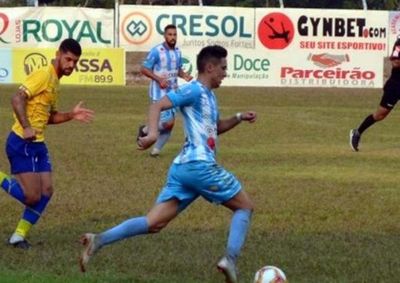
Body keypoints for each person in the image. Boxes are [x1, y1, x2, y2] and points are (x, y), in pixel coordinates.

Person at [79, 45, 256, 283]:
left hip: (184, 169)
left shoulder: (209, 96)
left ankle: (98, 239)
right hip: (199, 166)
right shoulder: (193, 90)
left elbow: (216, 128)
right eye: (223, 68)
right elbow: (158, 105)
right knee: (244, 206)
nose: (226, 73)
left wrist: (238, 118)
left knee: (153, 223)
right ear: (210, 67)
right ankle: (230, 261)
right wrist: (153, 133)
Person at [0, 38, 94, 249]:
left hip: (38, 144)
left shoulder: (55, 82)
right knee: (31, 196)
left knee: (47, 191)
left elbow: (48, 117)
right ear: (58, 54)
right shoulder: (44, 74)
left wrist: (71, 114)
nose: (71, 65)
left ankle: (18, 236)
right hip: (21, 142)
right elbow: (17, 98)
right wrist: (25, 126)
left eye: (75, 62)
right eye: (68, 59)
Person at [138, 24, 193, 157]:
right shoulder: (157, 51)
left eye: (174, 35)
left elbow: (177, 69)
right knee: (168, 122)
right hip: (159, 92)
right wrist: (158, 79)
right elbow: (144, 69)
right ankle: (146, 130)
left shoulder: (178, 52)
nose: (172, 37)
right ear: (165, 36)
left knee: (169, 125)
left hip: (174, 92)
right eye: (170, 34)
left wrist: (184, 75)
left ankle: (155, 151)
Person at [350, 38, 400, 151]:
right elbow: (395, 62)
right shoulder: (399, 44)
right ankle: (357, 132)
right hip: (396, 85)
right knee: (380, 115)